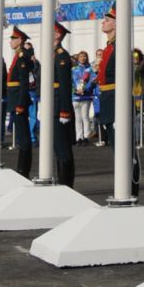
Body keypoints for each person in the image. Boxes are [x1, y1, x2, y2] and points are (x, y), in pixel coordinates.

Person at [96, 5, 140, 196]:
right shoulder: (109, 47)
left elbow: (125, 78)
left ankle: (130, 191)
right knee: (117, 150)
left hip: (116, 102)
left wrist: (119, 109)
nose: (103, 22)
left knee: (125, 153)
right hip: (109, 101)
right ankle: (123, 190)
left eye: (107, 19)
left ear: (116, 24)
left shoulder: (119, 47)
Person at [6, 27, 37, 178]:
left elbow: (24, 82)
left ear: (20, 40)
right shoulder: (18, 55)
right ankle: (21, 168)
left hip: (19, 98)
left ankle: (23, 169)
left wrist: (20, 103)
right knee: (21, 135)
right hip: (15, 97)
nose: (10, 41)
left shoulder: (22, 56)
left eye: (13, 38)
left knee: (24, 137)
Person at [49, 21, 76, 187]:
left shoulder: (61, 55)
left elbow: (65, 85)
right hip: (53, 103)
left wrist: (65, 111)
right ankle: (62, 182)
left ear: (57, 35)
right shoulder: (53, 54)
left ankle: (66, 184)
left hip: (59, 106)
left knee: (62, 147)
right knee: (58, 147)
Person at [72, 52, 96, 143]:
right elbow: (71, 82)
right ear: (78, 58)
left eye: (84, 56)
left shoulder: (90, 69)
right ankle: (79, 137)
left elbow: (93, 81)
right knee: (77, 118)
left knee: (85, 117)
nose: (83, 58)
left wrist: (85, 89)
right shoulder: (73, 69)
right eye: (81, 56)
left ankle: (86, 136)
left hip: (86, 96)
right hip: (75, 96)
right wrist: (75, 90)